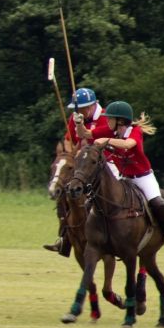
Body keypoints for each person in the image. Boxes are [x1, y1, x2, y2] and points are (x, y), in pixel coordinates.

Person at [93, 101, 164, 255]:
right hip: (124, 178)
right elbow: (87, 134)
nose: (107, 121)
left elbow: (128, 144)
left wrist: (105, 141)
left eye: (110, 118)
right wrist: (79, 122)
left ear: (120, 121)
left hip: (143, 177)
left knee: (158, 203)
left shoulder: (135, 131)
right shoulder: (112, 133)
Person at [44, 87, 115, 255]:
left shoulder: (106, 118)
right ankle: (65, 237)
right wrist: (71, 153)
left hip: (108, 162)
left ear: (91, 106)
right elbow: (69, 140)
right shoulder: (75, 118)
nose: (78, 111)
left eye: (80, 108)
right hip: (83, 165)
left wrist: (83, 146)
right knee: (64, 193)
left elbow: (98, 142)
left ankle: (116, 234)